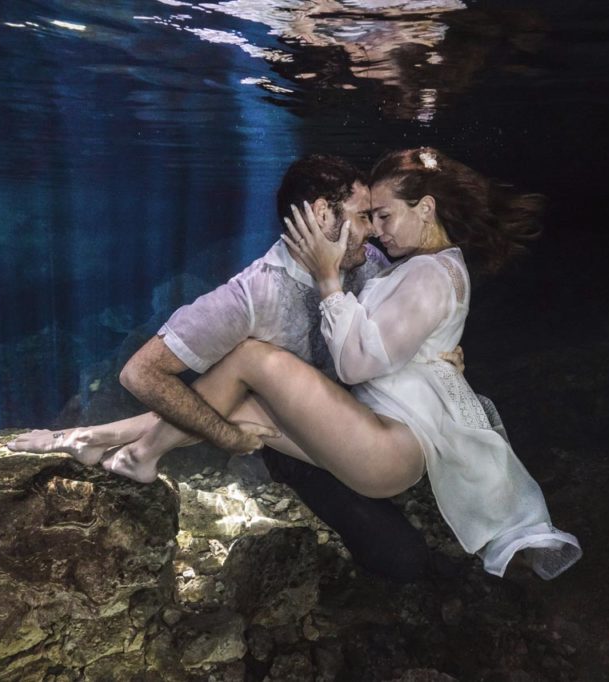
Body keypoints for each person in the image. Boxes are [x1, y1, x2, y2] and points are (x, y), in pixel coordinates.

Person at [39, 147, 579, 579]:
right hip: (345, 430)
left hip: (378, 443)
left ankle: (137, 453)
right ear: (323, 214)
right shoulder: (251, 294)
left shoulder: (375, 263)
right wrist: (224, 436)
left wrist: (438, 358)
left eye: (380, 216)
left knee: (401, 561)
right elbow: (142, 374)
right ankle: (102, 439)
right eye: (366, 217)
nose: (374, 231)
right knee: (240, 395)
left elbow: (383, 341)